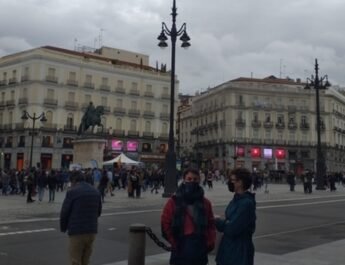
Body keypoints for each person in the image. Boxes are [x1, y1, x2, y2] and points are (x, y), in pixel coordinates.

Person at [161, 168, 216, 265]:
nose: (192, 182)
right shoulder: (174, 201)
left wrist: (209, 242)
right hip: (180, 245)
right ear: (184, 179)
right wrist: (174, 242)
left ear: (199, 180)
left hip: (200, 246)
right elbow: (165, 223)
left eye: (195, 179)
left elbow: (211, 224)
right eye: (189, 179)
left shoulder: (205, 203)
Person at [215, 167, 256, 265]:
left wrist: (217, 220)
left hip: (238, 251)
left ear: (240, 182)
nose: (230, 183)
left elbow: (232, 228)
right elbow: (229, 220)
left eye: (232, 180)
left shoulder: (246, 203)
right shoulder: (237, 199)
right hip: (229, 247)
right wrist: (225, 221)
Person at [60, 171, 102, 265]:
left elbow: (65, 212)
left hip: (77, 231)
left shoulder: (72, 192)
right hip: (92, 231)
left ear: (74, 180)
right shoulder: (95, 191)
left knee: (75, 260)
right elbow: (98, 212)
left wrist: (63, 227)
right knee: (86, 260)